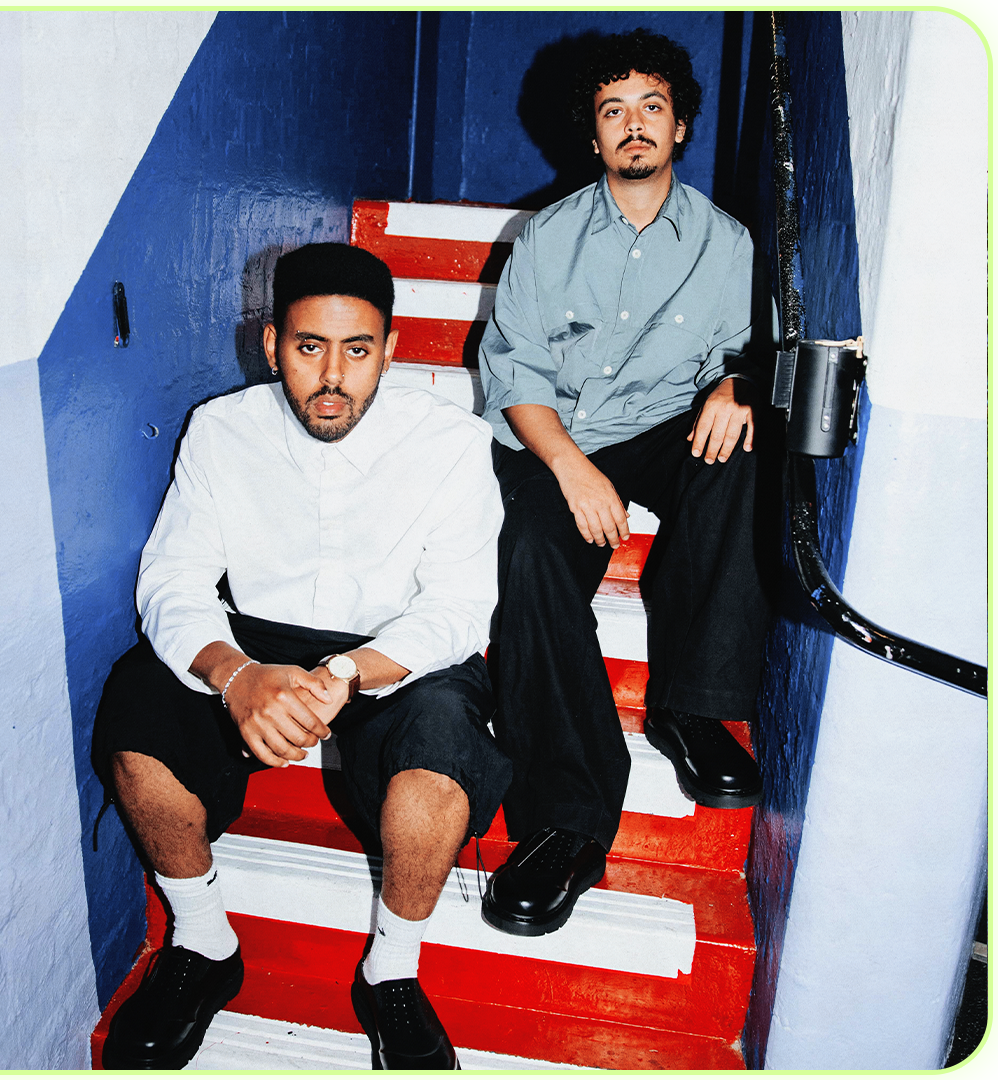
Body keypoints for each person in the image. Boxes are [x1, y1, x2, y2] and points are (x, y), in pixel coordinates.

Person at [93, 242, 510, 1069]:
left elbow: (460, 610)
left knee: (442, 760)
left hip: (394, 652)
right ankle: (204, 944)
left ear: (390, 350)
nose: (332, 375)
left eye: (358, 351)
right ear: (272, 342)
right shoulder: (220, 430)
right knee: (136, 715)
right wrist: (236, 674)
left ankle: (391, 972)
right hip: (256, 641)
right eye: (309, 347)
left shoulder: (454, 443)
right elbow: (173, 580)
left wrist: (346, 674)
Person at [478, 27, 772, 937]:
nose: (634, 126)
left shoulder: (728, 244)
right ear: (594, 137)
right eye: (614, 112)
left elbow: (738, 351)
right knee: (527, 552)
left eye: (652, 107)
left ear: (680, 127)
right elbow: (513, 379)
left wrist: (732, 385)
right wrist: (568, 468)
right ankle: (564, 822)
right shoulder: (544, 240)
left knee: (744, 453)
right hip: (559, 438)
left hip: (662, 429)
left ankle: (689, 709)